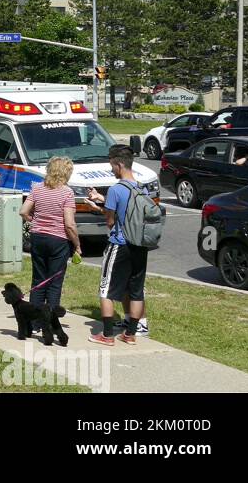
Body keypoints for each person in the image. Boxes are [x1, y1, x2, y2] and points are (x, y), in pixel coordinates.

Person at [86, 145, 149, 346]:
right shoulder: (142, 187)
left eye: (112, 166)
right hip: (139, 245)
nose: (111, 170)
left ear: (119, 164)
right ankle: (130, 334)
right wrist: (103, 201)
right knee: (136, 291)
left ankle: (106, 335)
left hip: (119, 244)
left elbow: (110, 220)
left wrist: (98, 208)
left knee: (106, 290)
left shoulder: (115, 189)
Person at [19, 156, 81, 332]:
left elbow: (23, 211)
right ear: (66, 173)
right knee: (54, 282)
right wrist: (77, 244)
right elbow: (69, 224)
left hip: (38, 237)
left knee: (38, 280)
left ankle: (34, 321)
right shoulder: (67, 193)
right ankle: (51, 322)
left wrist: (34, 221)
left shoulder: (37, 189)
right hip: (58, 240)